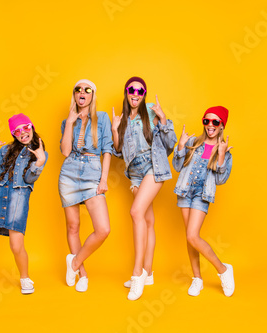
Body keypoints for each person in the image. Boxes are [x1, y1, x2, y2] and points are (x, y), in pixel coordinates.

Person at [111, 76, 177, 300]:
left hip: (153, 166)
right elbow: (119, 152)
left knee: (135, 213)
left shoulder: (149, 111)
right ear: (126, 92)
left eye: (140, 91)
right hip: (135, 175)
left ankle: (137, 274)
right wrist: (114, 129)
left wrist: (164, 119)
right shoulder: (122, 119)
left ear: (144, 94)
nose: (135, 94)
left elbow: (171, 143)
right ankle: (148, 272)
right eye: (132, 89)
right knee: (147, 221)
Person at [0, 113, 48, 298]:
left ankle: (25, 278)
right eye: (17, 131)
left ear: (32, 126)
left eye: (26, 127)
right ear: (14, 134)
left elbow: (29, 178)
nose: (23, 133)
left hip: (19, 198)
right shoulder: (6, 150)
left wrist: (39, 162)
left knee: (16, 245)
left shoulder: (40, 152)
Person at [172, 106, 234, 297]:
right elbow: (176, 166)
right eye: (206, 121)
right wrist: (181, 147)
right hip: (184, 191)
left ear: (221, 125)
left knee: (193, 235)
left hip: (201, 194)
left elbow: (220, 180)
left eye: (215, 122)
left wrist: (221, 156)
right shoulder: (192, 142)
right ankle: (197, 279)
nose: (210, 125)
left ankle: (223, 270)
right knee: (190, 240)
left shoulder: (223, 150)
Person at [59, 79, 112, 292]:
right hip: (69, 173)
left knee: (103, 229)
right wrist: (70, 123)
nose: (82, 92)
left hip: (92, 172)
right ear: (75, 95)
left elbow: (107, 149)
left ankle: (73, 263)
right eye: (78, 89)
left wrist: (104, 179)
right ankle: (82, 274)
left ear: (92, 95)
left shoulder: (103, 118)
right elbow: (64, 151)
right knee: (73, 226)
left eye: (87, 90)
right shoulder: (67, 121)